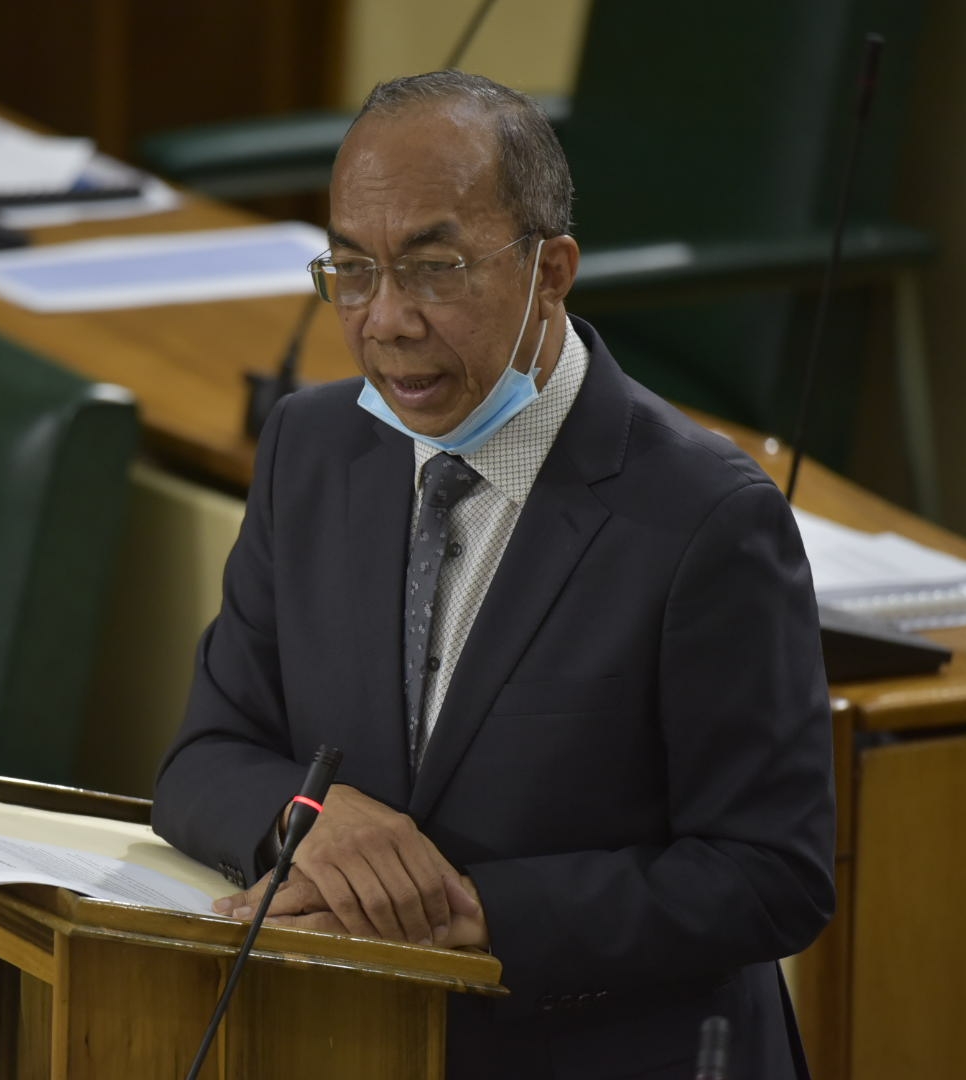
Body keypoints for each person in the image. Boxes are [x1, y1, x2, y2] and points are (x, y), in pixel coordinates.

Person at [152, 70, 835, 1080]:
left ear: (551, 271)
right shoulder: (311, 447)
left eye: (434, 270)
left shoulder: (708, 519)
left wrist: (475, 911)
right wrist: (313, 821)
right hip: (351, 1045)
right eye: (352, 270)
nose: (386, 320)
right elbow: (205, 758)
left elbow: (771, 874)